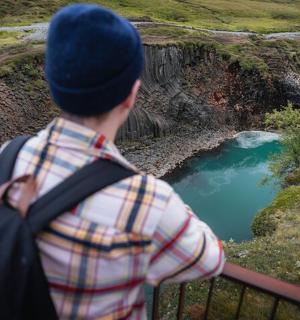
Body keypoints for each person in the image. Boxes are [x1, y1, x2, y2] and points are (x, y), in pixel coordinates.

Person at [3, 4, 224, 319]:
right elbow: (211, 259)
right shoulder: (148, 202)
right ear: (132, 94)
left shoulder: (9, 154)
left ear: (53, 87)